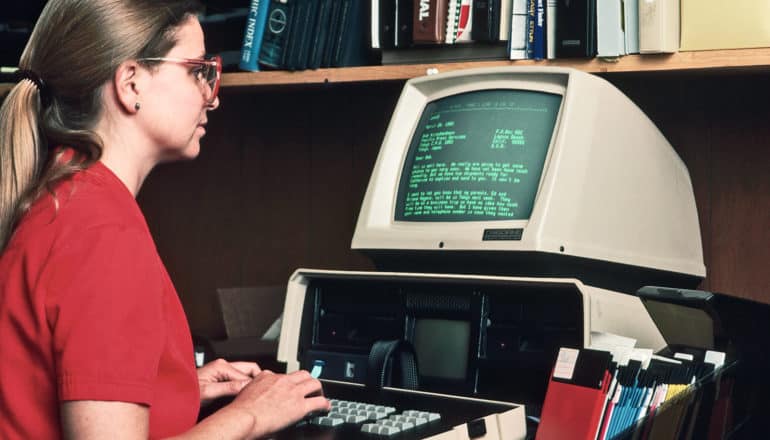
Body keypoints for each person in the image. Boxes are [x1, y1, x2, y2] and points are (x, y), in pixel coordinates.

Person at [0, 0, 330, 438]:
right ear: (131, 83)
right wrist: (251, 414)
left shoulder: (65, 199)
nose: (213, 95)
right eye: (197, 71)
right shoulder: (102, 233)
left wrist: (170, 388)